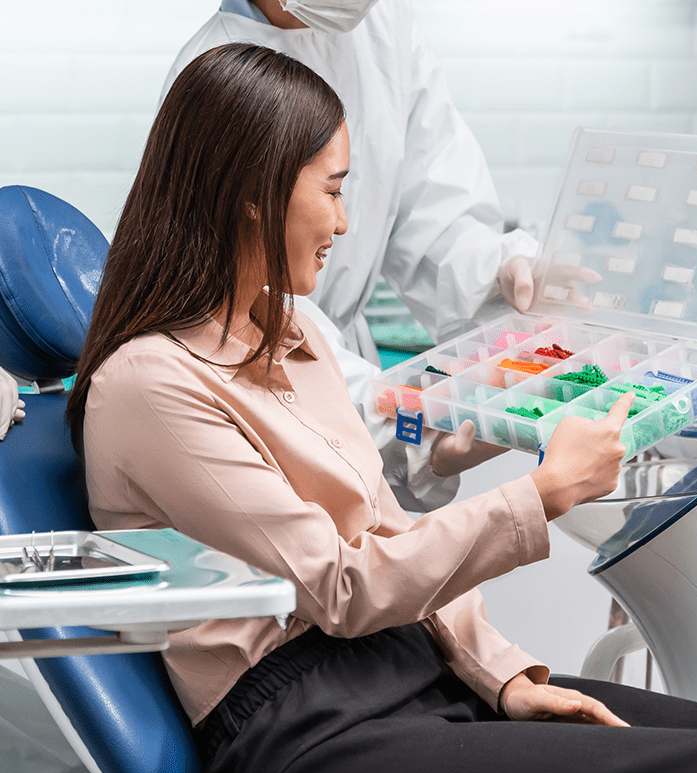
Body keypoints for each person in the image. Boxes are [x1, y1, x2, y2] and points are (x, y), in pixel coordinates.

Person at [70, 43, 697, 773]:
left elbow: (388, 528)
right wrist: (543, 494)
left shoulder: (297, 336)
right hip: (311, 749)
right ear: (253, 196)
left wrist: (505, 673)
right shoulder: (151, 386)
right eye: (335, 188)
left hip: (414, 679)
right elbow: (344, 587)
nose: (348, 222)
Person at [161, 0, 548, 512]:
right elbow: (248, 304)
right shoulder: (217, 73)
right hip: (271, 385)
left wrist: (497, 271)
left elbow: (434, 208)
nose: (343, 224)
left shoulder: (385, 26)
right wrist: (412, 422)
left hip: (329, 370)